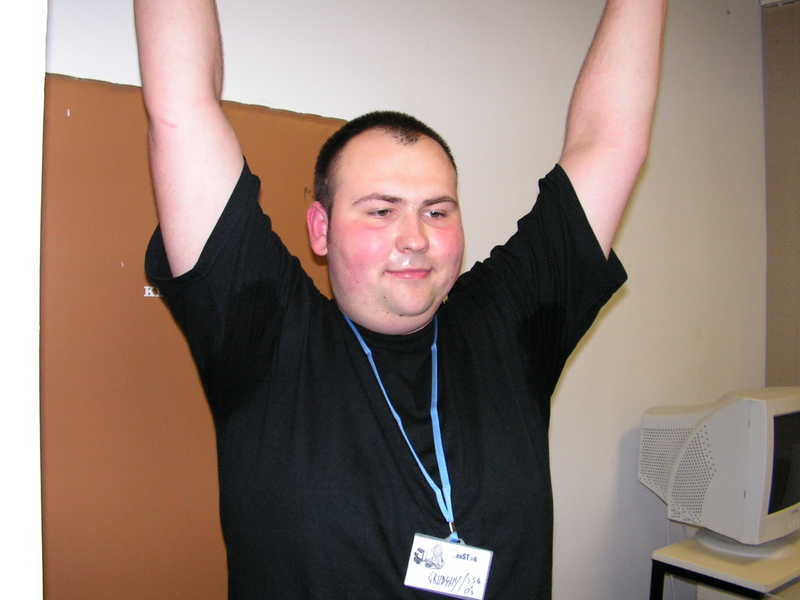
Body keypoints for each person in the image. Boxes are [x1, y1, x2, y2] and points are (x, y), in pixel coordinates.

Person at [135, 1, 666, 598]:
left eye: (436, 212)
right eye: (381, 211)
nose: (415, 238)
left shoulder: (505, 324)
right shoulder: (265, 335)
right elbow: (182, 109)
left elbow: (609, 143)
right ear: (321, 229)